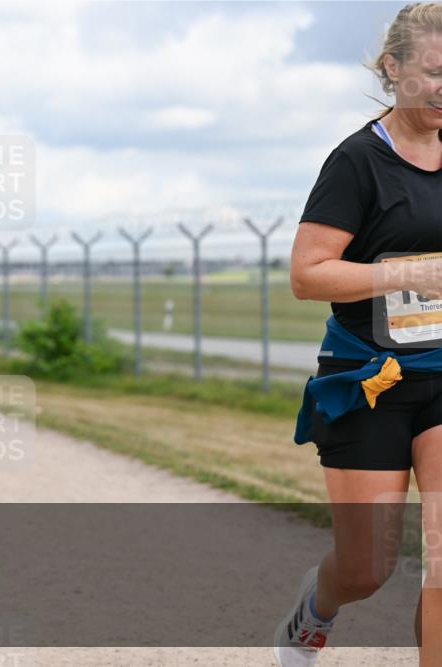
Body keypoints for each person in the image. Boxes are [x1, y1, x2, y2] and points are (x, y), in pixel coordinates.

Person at [279, 4, 442, 666]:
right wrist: (410, 273)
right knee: (366, 566)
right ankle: (317, 609)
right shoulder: (357, 162)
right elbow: (307, 274)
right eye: (434, 71)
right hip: (371, 379)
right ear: (392, 68)